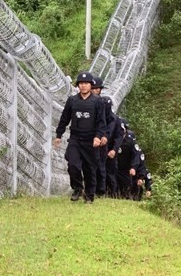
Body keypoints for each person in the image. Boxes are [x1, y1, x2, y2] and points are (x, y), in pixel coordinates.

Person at [54, 71, 107, 204]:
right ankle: (77, 188)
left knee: (89, 168)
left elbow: (102, 122)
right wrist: (59, 135)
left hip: (91, 140)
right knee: (73, 164)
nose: (83, 86)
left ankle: (89, 195)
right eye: (81, 84)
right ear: (78, 85)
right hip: (75, 139)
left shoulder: (98, 101)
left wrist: (98, 136)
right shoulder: (72, 100)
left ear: (91, 85)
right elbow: (64, 118)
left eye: (86, 84)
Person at [91, 76, 118, 197]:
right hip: (87, 138)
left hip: (101, 138)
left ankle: (100, 190)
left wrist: (106, 135)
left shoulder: (105, 103)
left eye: (97, 89)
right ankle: (89, 188)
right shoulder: (81, 102)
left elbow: (111, 121)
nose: (95, 91)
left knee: (100, 164)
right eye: (93, 88)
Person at [116, 120, 140, 199]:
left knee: (125, 187)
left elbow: (136, 155)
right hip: (114, 168)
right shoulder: (113, 138)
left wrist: (133, 167)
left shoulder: (130, 141)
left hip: (125, 169)